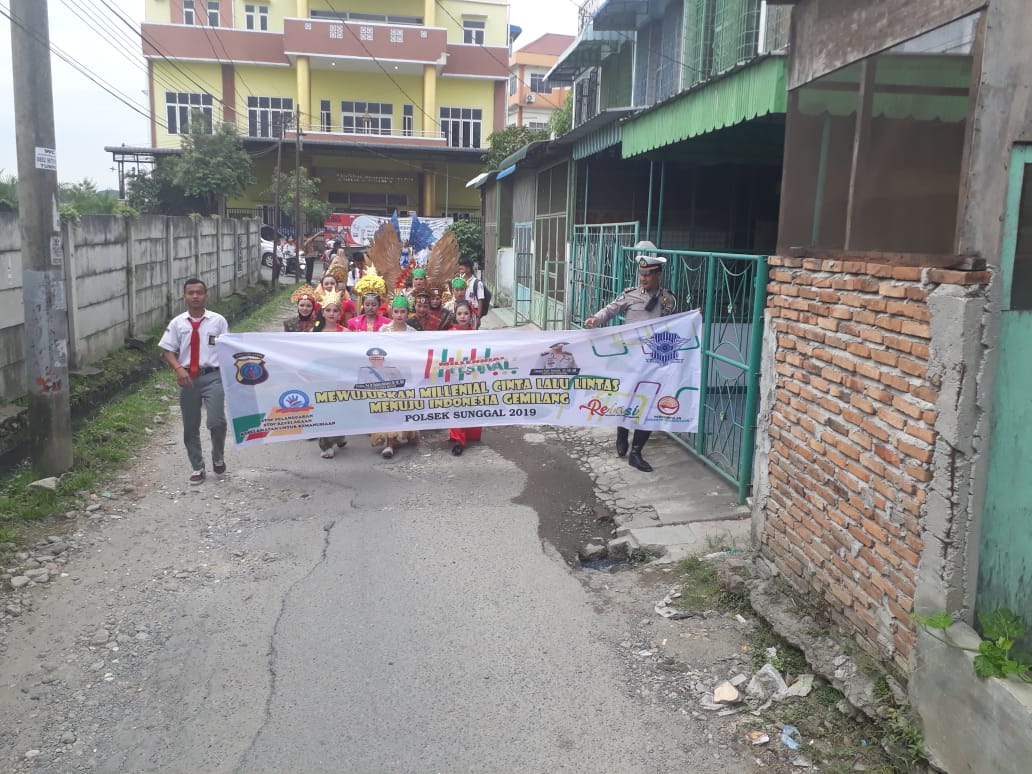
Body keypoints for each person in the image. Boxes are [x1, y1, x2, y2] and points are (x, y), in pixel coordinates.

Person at [583, 240, 678, 473]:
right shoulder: (630, 294)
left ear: (658, 274)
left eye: (648, 274)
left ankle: (636, 453)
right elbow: (610, 310)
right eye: (641, 273)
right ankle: (622, 433)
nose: (643, 278)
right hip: (628, 358)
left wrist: (693, 318)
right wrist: (596, 319)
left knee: (649, 405)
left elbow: (675, 325)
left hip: (653, 361)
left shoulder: (668, 299)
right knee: (625, 400)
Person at [158, 278, 229, 484]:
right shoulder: (178, 323)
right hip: (188, 378)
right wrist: (179, 369)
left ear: (206, 295)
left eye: (199, 292)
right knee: (190, 425)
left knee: (217, 421)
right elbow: (168, 350)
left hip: (213, 376)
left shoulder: (218, 321)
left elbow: (228, 347)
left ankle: (218, 456)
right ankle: (197, 466)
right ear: (184, 296)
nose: (195, 296)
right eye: (191, 293)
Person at [311, 290, 348, 457]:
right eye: (328, 310)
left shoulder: (347, 333)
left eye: (335, 310)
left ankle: (339, 435)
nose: (331, 313)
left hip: (340, 378)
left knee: (340, 409)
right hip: (321, 378)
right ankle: (325, 445)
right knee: (324, 410)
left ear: (340, 313)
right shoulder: (314, 333)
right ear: (323, 312)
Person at [447, 300, 482, 456]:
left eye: (466, 313)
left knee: (468, 406)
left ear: (471, 315)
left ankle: (465, 435)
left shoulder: (476, 336)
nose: (462, 316)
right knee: (455, 406)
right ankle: (458, 439)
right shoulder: (448, 334)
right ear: (455, 314)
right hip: (453, 376)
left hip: (470, 375)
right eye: (459, 313)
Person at [458, 258, 486, 326]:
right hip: (461, 315)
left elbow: (480, 301)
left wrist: (478, 317)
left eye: (462, 269)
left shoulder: (477, 283)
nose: (460, 271)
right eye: (459, 269)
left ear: (468, 269)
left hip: (473, 315)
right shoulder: (460, 281)